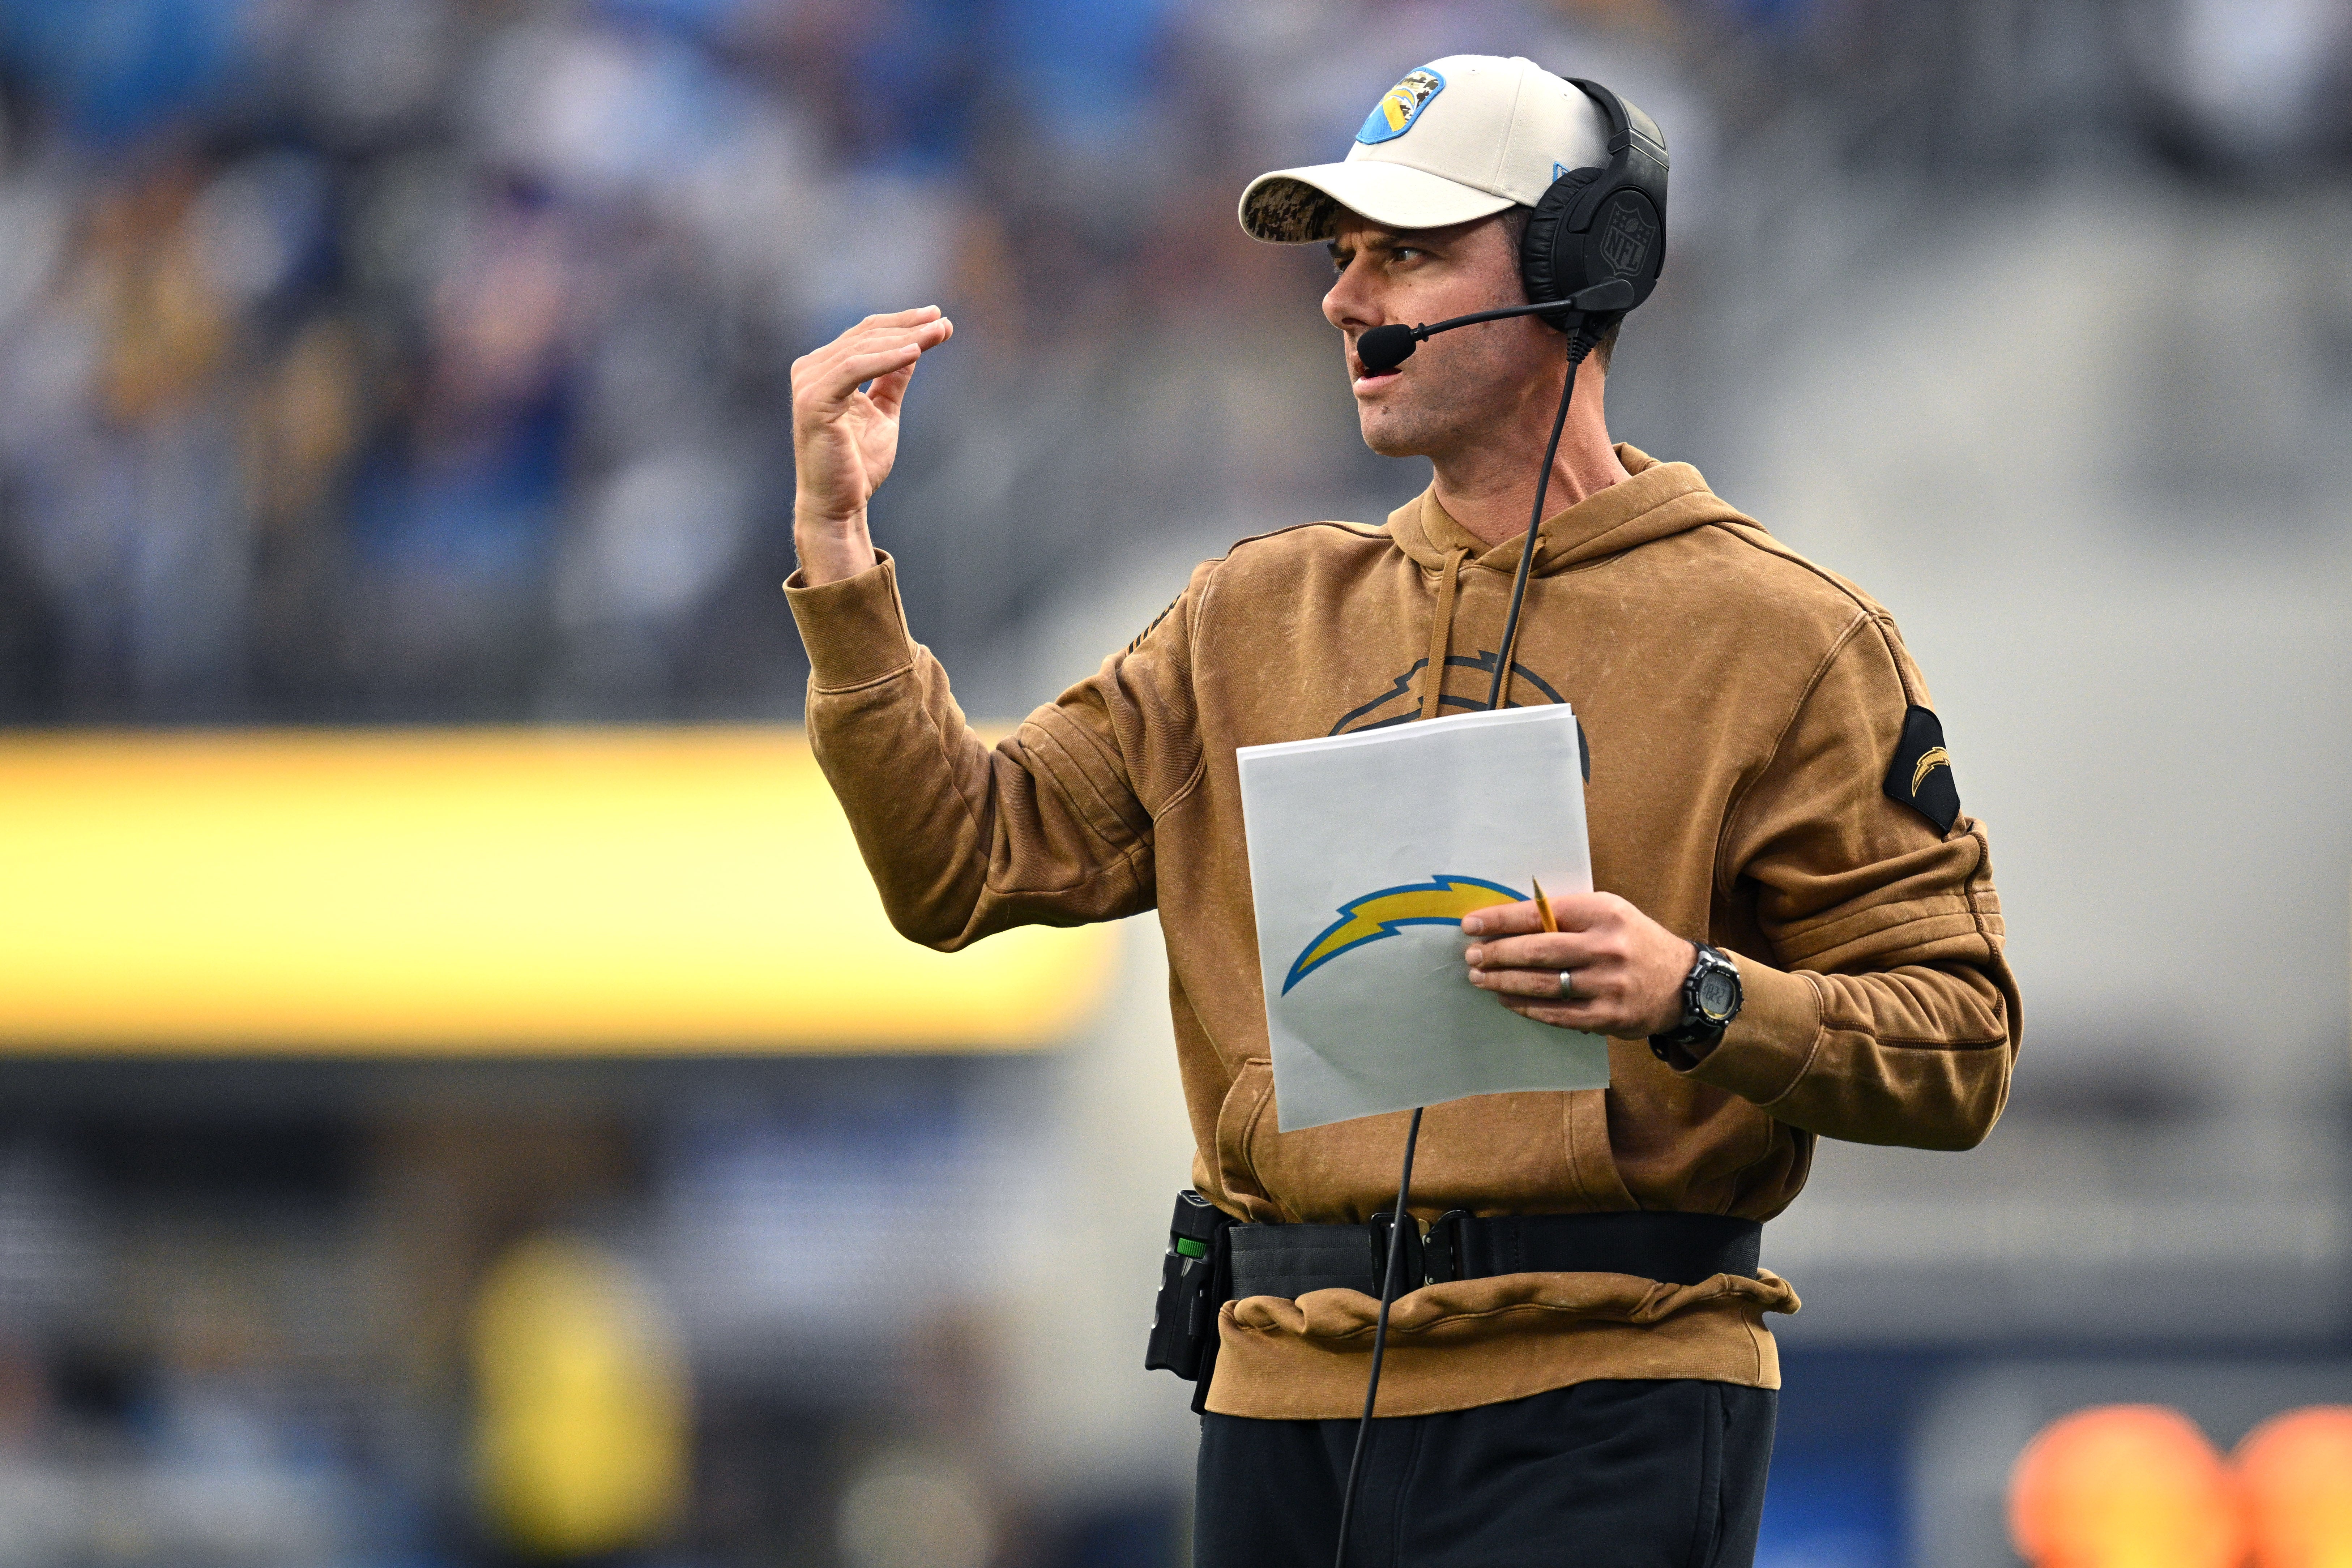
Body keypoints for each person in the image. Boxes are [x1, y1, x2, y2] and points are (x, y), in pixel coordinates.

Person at [785, 53, 2018, 1568]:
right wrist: (843, 560)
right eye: (1342, 254)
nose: (1344, 297)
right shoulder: (1244, 614)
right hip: (1276, 1398)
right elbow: (955, 866)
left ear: (1585, 262)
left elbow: (1957, 1043)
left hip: (1609, 1395)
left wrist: (1693, 993)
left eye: (1409, 250)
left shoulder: (1787, 637)